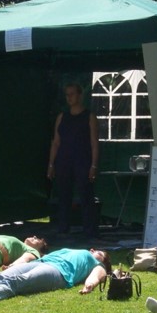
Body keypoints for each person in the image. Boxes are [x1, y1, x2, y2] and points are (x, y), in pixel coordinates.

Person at [0, 248, 111, 304]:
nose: (94, 251)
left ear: (102, 260)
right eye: (94, 249)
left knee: (18, 282)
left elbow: (97, 276)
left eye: (99, 253)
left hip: (59, 273)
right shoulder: (74, 249)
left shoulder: (98, 265)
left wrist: (89, 286)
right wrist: (12, 266)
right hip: (42, 262)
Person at [47, 83, 100, 238]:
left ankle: (89, 230)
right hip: (64, 161)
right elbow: (56, 142)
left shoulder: (89, 117)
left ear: (79, 95)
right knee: (64, 195)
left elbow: (94, 142)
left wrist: (94, 165)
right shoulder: (62, 117)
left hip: (82, 161)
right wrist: (51, 164)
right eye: (67, 94)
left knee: (85, 195)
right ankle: (63, 228)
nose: (69, 97)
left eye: (72, 94)